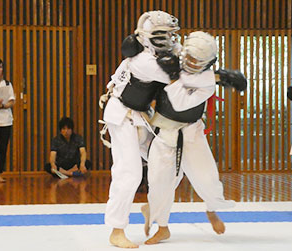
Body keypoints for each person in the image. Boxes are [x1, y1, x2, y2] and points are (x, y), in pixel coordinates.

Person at [141, 31, 245, 244]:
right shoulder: (175, 58)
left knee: (207, 178)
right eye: (188, 58)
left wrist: (173, 76)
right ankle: (162, 227)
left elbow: (180, 102)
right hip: (164, 131)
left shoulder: (207, 82)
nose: (190, 63)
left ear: (208, 63)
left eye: (197, 61)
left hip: (191, 133)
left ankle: (211, 209)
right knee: (159, 181)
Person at [101, 10, 180, 248]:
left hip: (143, 115)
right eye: (162, 35)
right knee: (130, 172)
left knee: (168, 168)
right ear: (147, 37)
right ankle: (116, 229)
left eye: (170, 34)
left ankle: (162, 224)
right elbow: (180, 80)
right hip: (122, 115)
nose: (168, 40)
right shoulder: (144, 61)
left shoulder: (158, 55)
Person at [0, 58, 15, 183]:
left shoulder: (7, 84)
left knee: (2, 148)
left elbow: (12, 101)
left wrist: (1, 105)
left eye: (1, 67)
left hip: (5, 121)